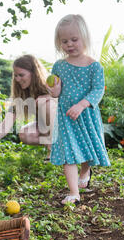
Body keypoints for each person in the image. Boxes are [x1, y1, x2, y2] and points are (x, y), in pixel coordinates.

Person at [47, 14, 110, 205]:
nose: (69, 44)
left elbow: (98, 89)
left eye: (74, 39)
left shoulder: (94, 66)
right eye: (64, 41)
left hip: (86, 116)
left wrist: (82, 104)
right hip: (67, 117)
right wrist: (55, 90)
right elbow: (55, 92)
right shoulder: (59, 65)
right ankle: (74, 192)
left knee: (88, 148)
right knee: (69, 153)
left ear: (85, 38)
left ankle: (86, 170)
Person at [0, 54, 57, 160]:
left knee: (44, 102)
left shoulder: (51, 86)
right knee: (25, 133)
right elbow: (5, 125)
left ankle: (54, 151)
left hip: (67, 126)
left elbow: (70, 103)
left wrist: (52, 97)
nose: (17, 79)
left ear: (34, 73)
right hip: (49, 130)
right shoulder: (21, 95)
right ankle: (57, 146)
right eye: (16, 75)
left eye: (21, 75)